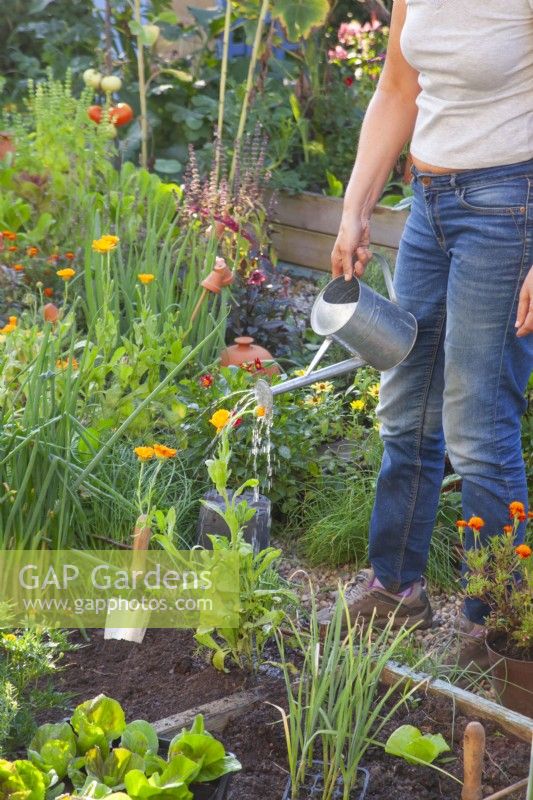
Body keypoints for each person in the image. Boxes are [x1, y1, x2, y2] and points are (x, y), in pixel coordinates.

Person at [317, 0, 533, 662]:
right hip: (429, 206)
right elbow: (397, 88)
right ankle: (395, 586)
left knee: (475, 425)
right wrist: (354, 210)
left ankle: (500, 625)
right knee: (404, 404)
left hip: (508, 208)